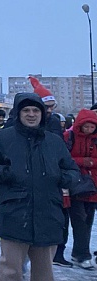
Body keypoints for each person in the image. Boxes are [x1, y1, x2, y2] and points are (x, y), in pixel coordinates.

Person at [0, 92, 80, 281]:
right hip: (14, 214)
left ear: (42, 114)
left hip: (47, 215)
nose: (31, 114)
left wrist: (62, 177)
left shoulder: (54, 142)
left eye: (35, 110)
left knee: (44, 273)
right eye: (26, 110)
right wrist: (7, 173)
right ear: (18, 113)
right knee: (11, 271)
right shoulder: (3, 139)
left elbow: (72, 170)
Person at [64, 108, 97, 269]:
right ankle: (82, 254)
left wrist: (90, 162)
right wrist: (84, 161)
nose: (89, 130)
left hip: (93, 186)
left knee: (88, 221)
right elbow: (64, 158)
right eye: (87, 127)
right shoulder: (69, 137)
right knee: (79, 220)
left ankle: (79, 253)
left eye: (92, 127)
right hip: (76, 185)